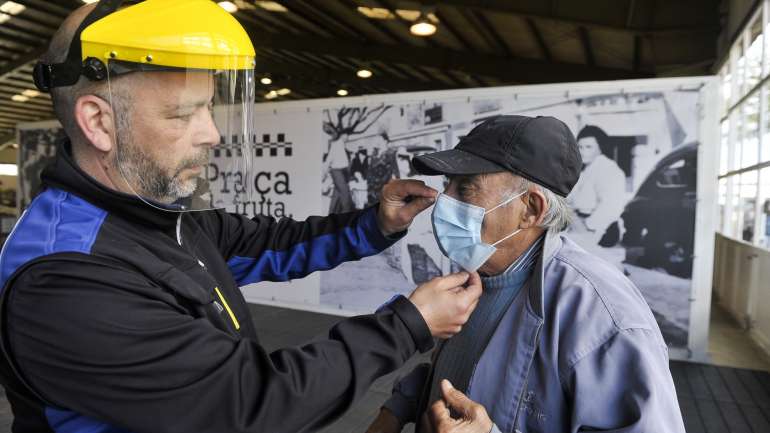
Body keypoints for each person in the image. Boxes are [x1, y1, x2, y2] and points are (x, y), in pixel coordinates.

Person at [0, 2, 483, 432]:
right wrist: (408, 326)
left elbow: (272, 245)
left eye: (209, 107)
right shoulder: (65, 279)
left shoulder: (151, 216)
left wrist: (376, 223)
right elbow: (252, 405)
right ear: (99, 122)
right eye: (182, 114)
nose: (210, 133)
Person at [366, 115, 685, 433]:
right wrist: (399, 406)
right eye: (447, 183)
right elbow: (460, 369)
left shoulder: (602, 317)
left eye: (465, 188)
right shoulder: (481, 274)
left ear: (531, 209)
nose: (443, 200)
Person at [568, 125, 626, 245]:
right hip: (577, 222)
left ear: (600, 148)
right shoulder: (585, 170)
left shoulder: (608, 169)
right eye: (580, 147)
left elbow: (610, 205)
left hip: (598, 228)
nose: (582, 151)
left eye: (589, 147)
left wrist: (587, 226)